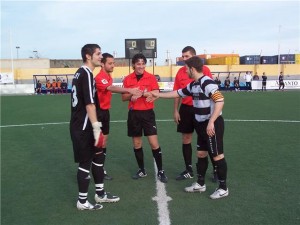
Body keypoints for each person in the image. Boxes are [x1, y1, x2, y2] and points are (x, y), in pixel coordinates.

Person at [145, 56, 229, 199]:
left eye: (186, 68)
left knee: (217, 155)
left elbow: (220, 101)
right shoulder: (194, 84)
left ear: (192, 69)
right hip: (201, 124)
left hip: (212, 124)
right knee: (201, 154)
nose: (185, 71)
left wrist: (211, 122)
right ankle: (200, 184)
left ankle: (223, 188)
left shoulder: (207, 83)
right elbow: (178, 93)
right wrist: (156, 94)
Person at [70, 44, 120, 211]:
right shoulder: (86, 74)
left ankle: (100, 193)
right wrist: (96, 128)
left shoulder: (81, 73)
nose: (100, 57)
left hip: (85, 124)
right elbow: (90, 105)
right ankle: (82, 201)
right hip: (84, 126)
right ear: (88, 56)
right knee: (86, 162)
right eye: (98, 54)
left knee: (98, 156)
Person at [95, 53, 142, 180]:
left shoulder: (108, 76)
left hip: (105, 112)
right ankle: (93, 169)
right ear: (102, 64)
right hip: (97, 113)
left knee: (104, 142)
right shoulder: (100, 77)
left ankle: (100, 169)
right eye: (110, 63)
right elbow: (110, 88)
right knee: (96, 143)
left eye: (113, 63)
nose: (113, 65)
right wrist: (130, 90)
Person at [121, 53, 168, 183]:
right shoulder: (128, 79)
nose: (140, 66)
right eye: (138, 64)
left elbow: (157, 93)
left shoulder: (151, 78)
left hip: (148, 114)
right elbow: (123, 97)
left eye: (142, 64)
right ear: (133, 65)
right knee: (137, 143)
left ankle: (161, 170)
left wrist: (143, 94)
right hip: (134, 114)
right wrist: (131, 95)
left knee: (153, 143)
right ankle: (142, 170)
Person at [173, 46, 217, 182]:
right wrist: (175, 110)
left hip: (202, 110)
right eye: (183, 56)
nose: (184, 59)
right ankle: (189, 170)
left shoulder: (205, 70)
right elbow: (177, 93)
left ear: (194, 56)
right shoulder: (180, 72)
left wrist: (212, 113)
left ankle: (216, 170)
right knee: (186, 139)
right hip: (186, 109)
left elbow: (211, 92)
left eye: (187, 56)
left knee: (206, 139)